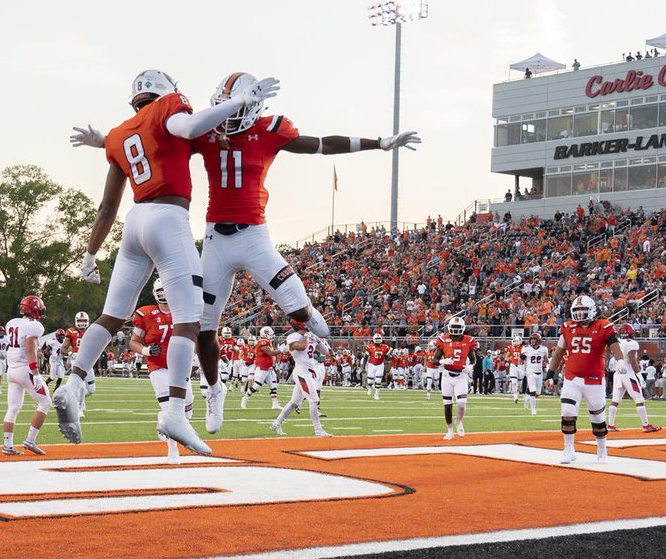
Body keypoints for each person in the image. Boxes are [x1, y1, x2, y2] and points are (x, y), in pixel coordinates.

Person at [74, 73, 420, 434]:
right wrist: (105, 143)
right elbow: (152, 142)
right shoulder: (205, 129)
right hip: (215, 240)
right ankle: (214, 389)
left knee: (301, 311)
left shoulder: (271, 129)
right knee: (202, 327)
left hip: (254, 235)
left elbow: (320, 144)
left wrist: (380, 143)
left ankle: (307, 309)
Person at [57, 70, 280, 453]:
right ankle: (175, 411)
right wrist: (241, 101)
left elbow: (107, 206)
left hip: (134, 223)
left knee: (111, 317)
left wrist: (90, 255)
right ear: (166, 92)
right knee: (190, 322)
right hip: (168, 218)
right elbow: (189, 126)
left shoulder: (121, 132)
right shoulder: (169, 107)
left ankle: (74, 383)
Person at [544, 295, 628, 464]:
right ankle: (568, 449)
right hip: (572, 378)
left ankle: (602, 448)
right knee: (567, 412)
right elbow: (559, 352)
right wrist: (550, 373)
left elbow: (614, 344)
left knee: (597, 417)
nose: (580, 314)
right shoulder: (567, 327)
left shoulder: (603, 326)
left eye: (583, 310)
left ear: (592, 310)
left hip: (594, 379)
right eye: (577, 310)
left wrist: (620, 360)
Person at [129, 278, 193, 464]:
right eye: (161, 290)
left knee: (188, 407)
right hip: (157, 366)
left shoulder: (182, 311)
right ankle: (172, 451)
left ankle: (163, 421)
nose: (164, 294)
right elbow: (133, 342)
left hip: (179, 366)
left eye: (167, 290)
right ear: (155, 292)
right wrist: (146, 351)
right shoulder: (145, 313)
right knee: (170, 408)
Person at [0, 296, 52, 455]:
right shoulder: (33, 326)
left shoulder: (12, 323)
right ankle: (30, 439)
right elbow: (30, 349)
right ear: (35, 309)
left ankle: (7, 446)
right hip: (25, 369)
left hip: (12, 371)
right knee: (45, 402)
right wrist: (35, 374)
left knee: (13, 408)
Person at [271, 320, 332, 437]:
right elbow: (301, 347)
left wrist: (319, 340)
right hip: (301, 372)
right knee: (314, 400)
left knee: (294, 402)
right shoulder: (293, 336)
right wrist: (306, 337)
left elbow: (326, 352)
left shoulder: (311, 335)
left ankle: (276, 423)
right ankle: (318, 430)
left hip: (309, 372)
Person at [606, 324, 661, 433]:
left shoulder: (617, 342)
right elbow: (632, 360)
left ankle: (610, 425)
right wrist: (640, 376)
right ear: (630, 332)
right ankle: (646, 425)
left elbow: (608, 350)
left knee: (615, 401)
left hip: (618, 373)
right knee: (639, 399)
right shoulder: (632, 343)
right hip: (628, 373)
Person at [433, 316, 478, 439]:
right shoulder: (443, 340)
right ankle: (450, 430)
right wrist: (442, 362)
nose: (456, 330)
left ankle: (458, 421)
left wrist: (470, 366)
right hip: (447, 375)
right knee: (447, 404)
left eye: (458, 328)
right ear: (449, 328)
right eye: (454, 327)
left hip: (461, 375)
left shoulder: (468, 341)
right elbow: (435, 359)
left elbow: (474, 359)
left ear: (463, 328)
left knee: (461, 404)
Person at [241, 326, 280, 409]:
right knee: (257, 385)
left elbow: (271, 355)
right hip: (262, 367)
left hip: (269, 367)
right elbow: (270, 353)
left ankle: (275, 404)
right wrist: (281, 350)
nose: (272, 335)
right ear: (265, 334)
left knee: (274, 386)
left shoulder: (267, 341)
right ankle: (245, 398)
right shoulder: (262, 341)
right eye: (270, 334)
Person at [520, 331, 548, 416]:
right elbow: (521, 359)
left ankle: (527, 398)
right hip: (530, 372)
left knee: (537, 393)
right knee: (533, 391)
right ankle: (533, 410)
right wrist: (521, 369)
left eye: (534, 340)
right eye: (531, 339)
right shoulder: (526, 349)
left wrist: (547, 364)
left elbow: (546, 360)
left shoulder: (543, 349)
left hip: (540, 373)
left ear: (538, 341)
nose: (532, 341)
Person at [365, 332, 389, 400]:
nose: (378, 340)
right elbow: (365, 357)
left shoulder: (385, 347)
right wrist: (363, 367)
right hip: (371, 365)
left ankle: (376, 394)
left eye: (379, 338)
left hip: (380, 365)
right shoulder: (369, 346)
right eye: (377, 338)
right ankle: (369, 387)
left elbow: (387, 358)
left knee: (378, 381)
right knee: (370, 381)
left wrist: (389, 356)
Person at [506, 335, 525, 403]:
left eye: (516, 341)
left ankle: (517, 394)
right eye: (514, 341)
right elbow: (507, 356)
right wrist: (507, 361)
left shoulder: (523, 348)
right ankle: (515, 397)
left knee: (519, 384)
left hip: (521, 366)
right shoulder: (510, 347)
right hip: (513, 365)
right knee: (514, 382)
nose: (514, 342)